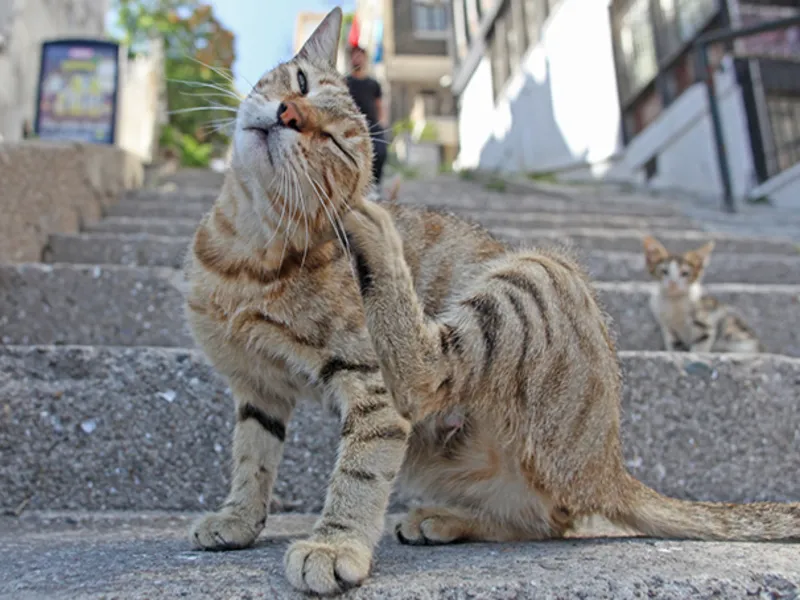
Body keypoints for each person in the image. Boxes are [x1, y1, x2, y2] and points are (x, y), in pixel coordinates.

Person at [345, 45, 388, 188]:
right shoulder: (346, 82)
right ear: (351, 59)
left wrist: (382, 120)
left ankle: (375, 186)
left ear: (364, 59)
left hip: (373, 125)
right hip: (353, 126)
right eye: (355, 55)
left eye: (360, 55)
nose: (357, 58)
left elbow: (379, 104)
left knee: (380, 152)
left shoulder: (373, 84)